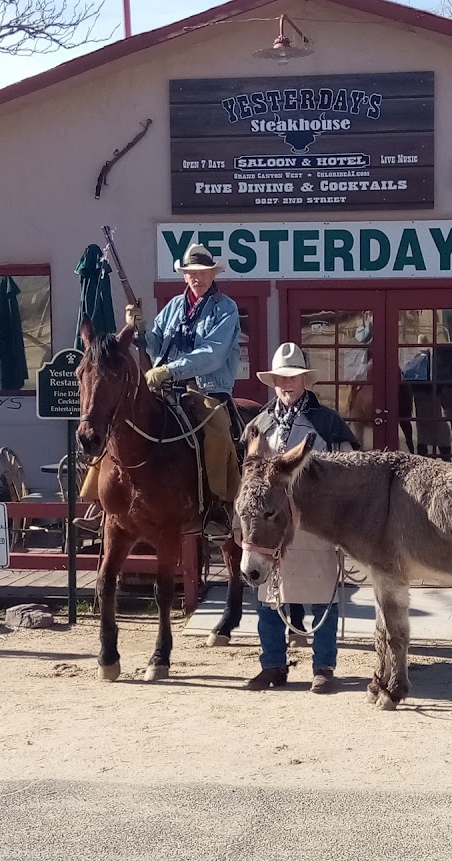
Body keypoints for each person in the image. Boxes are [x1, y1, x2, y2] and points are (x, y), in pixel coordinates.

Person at [75, 243, 241, 536]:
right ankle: (99, 503)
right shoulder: (175, 306)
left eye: (203, 273)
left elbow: (211, 354)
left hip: (207, 389)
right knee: (118, 421)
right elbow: (153, 344)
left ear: (213, 274)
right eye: (191, 273)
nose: (197, 278)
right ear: (184, 276)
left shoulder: (225, 309)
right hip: (164, 386)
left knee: (217, 432)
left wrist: (168, 370)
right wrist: (138, 327)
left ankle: (218, 506)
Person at [243, 343, 359, 694]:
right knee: (269, 597)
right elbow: (247, 478)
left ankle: (323, 667)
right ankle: (273, 665)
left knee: (323, 594)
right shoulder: (258, 424)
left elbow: (350, 464)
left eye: (293, 377)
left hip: (316, 520)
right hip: (270, 524)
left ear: (305, 380)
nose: (286, 383)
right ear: (273, 380)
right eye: (281, 377)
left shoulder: (327, 422)